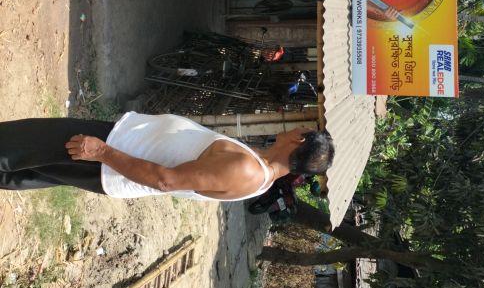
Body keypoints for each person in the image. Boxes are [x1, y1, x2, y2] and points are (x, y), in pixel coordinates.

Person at [0, 113, 334, 201]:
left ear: (299, 139)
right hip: (113, 153)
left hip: (108, 158)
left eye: (303, 128)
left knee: (15, 145)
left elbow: (166, 180)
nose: (297, 126)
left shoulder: (247, 170)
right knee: (24, 170)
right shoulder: (257, 166)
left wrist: (101, 151)